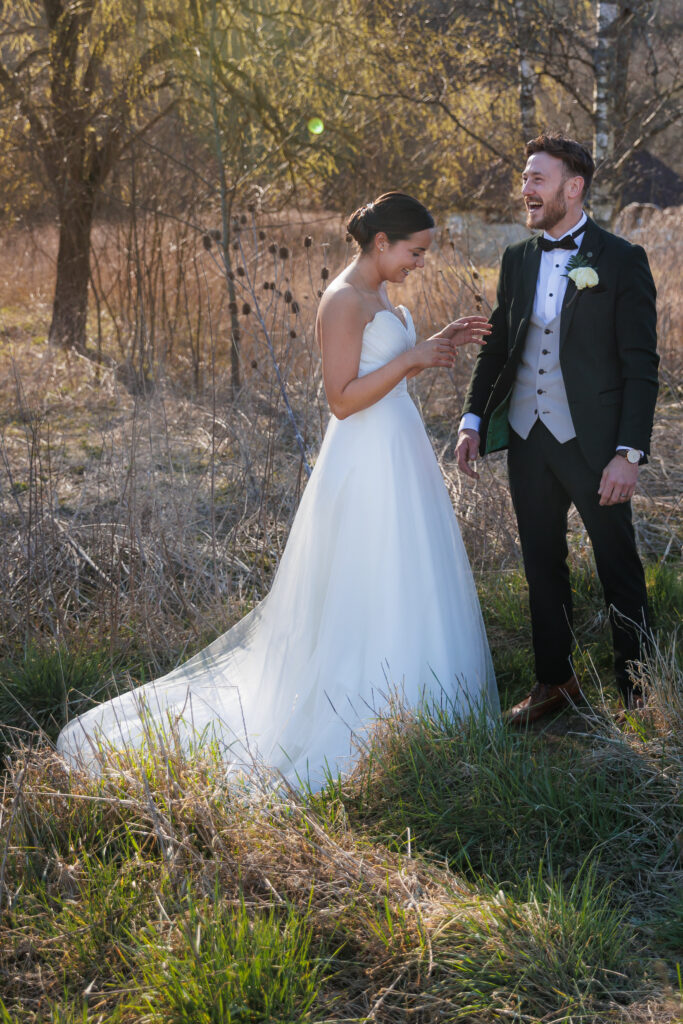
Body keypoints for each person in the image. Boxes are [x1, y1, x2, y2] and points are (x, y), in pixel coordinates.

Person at [57, 192, 499, 787]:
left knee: (407, 571)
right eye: (414, 253)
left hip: (399, 448)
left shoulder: (379, 292)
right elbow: (341, 400)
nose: (419, 263)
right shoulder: (343, 300)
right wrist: (412, 359)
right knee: (368, 577)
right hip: (364, 457)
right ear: (380, 244)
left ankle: (419, 706)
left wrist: (427, 346)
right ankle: (364, 709)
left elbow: (382, 367)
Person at [456, 133, 659, 725]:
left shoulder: (622, 260)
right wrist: (473, 419)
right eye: (524, 178)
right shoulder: (517, 259)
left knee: (617, 561)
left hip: (595, 443)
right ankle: (555, 681)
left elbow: (642, 367)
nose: (526, 190)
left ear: (574, 188)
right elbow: (498, 348)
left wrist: (630, 453)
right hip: (527, 435)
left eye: (537, 179)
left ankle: (638, 692)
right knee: (541, 561)